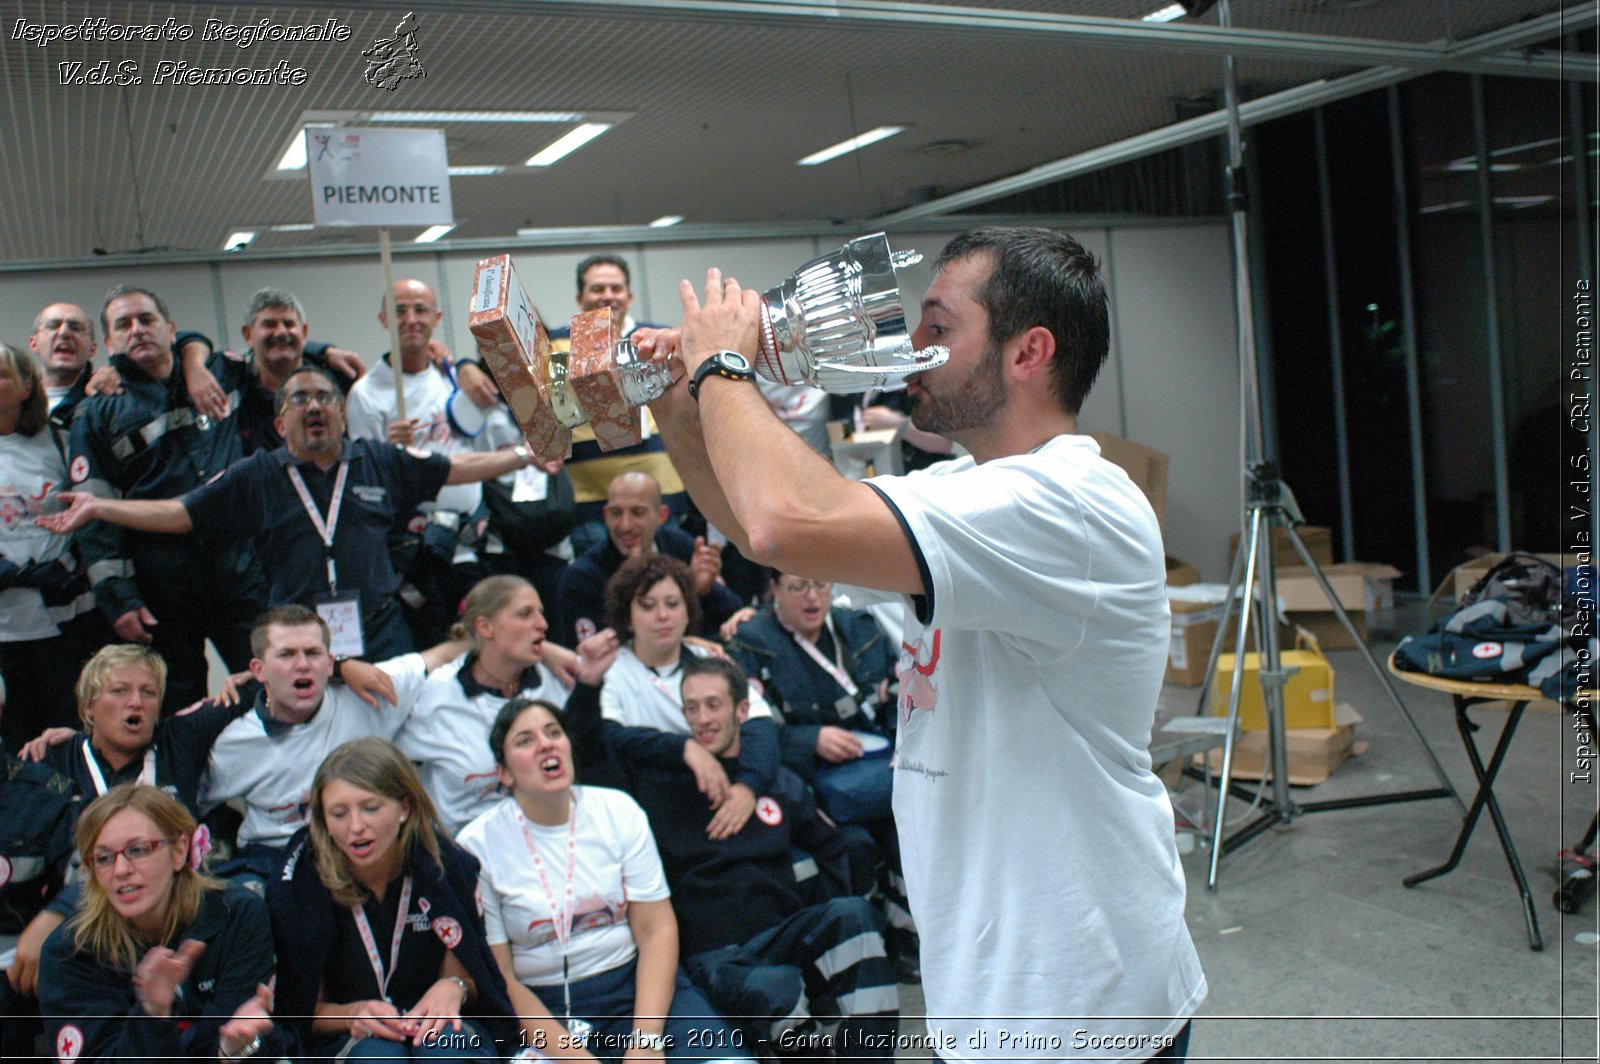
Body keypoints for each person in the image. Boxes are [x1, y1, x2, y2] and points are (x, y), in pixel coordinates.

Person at [641, 226, 1206, 1060]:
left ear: (1028, 352)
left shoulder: (1071, 502)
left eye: (940, 329)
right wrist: (677, 406)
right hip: (984, 993)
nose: (913, 349)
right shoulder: (959, 487)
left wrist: (726, 365)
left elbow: (785, 516)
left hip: (1083, 1004)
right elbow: (773, 539)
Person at [39, 364, 541, 663]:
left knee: (395, 742)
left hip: (379, 625)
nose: (315, 407)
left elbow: (456, 467)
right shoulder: (255, 476)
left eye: (325, 397)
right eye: (300, 400)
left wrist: (522, 455)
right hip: (297, 637)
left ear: (342, 413)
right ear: (281, 422)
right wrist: (100, 505)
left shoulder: (380, 461)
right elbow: (179, 514)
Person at [566, 654, 899, 1062]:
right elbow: (591, 746)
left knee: (856, 917)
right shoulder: (660, 782)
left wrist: (818, 918)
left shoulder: (768, 782)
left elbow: (832, 846)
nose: (702, 717)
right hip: (713, 957)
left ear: (743, 709)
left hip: (778, 935)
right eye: (691, 707)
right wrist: (592, 690)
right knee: (778, 990)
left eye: (713, 704)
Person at [457, 694, 751, 1064]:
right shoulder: (476, 845)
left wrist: (645, 1041)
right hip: (541, 1008)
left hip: (636, 989)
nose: (545, 743)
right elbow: (503, 977)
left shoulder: (618, 810)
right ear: (504, 772)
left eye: (553, 732)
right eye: (525, 740)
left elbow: (656, 930)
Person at [65, 284, 266, 710]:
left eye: (147, 319)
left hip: (241, 569)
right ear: (108, 344)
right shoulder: (96, 413)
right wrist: (118, 597)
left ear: (171, 328)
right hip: (163, 583)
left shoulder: (220, 372)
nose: (137, 330)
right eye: (124, 324)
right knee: (178, 704)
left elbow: (278, 353)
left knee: (268, 683)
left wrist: (324, 350)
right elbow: (94, 516)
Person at [270, 737, 518, 1060]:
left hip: (435, 1029)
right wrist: (353, 1014)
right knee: (378, 1057)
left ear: (404, 807)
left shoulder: (446, 866)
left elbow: (475, 979)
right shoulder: (299, 883)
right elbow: (300, 1010)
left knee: (445, 1049)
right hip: (351, 1036)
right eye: (338, 814)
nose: (356, 827)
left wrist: (453, 986)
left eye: (371, 808)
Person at [200, 605, 462, 880]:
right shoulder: (235, 741)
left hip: (361, 854)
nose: (302, 664)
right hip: (274, 862)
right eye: (286, 654)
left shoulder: (370, 693)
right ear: (258, 670)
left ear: (330, 663)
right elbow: (184, 807)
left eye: (312, 653)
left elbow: (446, 654)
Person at [455, 253, 689, 553]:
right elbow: (524, 390)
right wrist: (466, 366)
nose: (607, 296)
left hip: (661, 495)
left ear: (629, 296)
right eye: (597, 289)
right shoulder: (557, 346)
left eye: (616, 288)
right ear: (580, 297)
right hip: (587, 503)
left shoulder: (654, 337)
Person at [36, 783, 282, 1062]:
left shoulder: (237, 915)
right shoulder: (68, 953)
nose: (121, 870)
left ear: (179, 850)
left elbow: (251, 1041)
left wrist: (232, 1053)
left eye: (138, 850)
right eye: (104, 858)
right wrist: (152, 1014)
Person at [346, 278, 487, 647]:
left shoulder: (451, 374)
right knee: (430, 643)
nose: (411, 319)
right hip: (414, 548)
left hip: (471, 537)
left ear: (436, 317)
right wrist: (388, 452)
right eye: (399, 311)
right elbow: (363, 480)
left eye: (420, 309)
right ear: (383, 320)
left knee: (480, 640)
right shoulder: (365, 393)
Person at [597, 553, 780, 836]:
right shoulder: (613, 672)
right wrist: (684, 748)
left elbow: (761, 724)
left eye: (673, 604)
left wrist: (748, 787)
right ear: (628, 618)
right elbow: (609, 736)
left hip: (730, 790)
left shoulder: (708, 656)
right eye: (647, 606)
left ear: (687, 612)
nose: (663, 615)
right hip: (660, 807)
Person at [396, 575, 572, 834]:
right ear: (485, 627)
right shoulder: (438, 694)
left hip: (546, 841)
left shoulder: (554, 681)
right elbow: (385, 761)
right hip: (461, 852)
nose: (543, 624)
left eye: (541, 614)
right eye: (525, 614)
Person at [0, 344, 95, 752]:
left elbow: (93, 514)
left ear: (26, 387)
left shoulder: (59, 440)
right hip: (4, 630)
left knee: (68, 737)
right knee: (16, 747)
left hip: (63, 619)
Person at [555, 471, 741, 647]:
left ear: (662, 516)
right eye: (616, 513)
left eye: (637, 513)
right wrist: (627, 587)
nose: (625, 525)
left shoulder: (680, 546)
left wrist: (703, 591)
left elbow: (732, 618)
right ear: (605, 515)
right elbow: (587, 658)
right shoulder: (582, 577)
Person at [230, 286, 366, 453]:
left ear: (305, 332)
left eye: (289, 324)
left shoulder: (339, 380)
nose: (281, 332)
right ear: (248, 335)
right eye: (269, 324)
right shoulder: (234, 389)